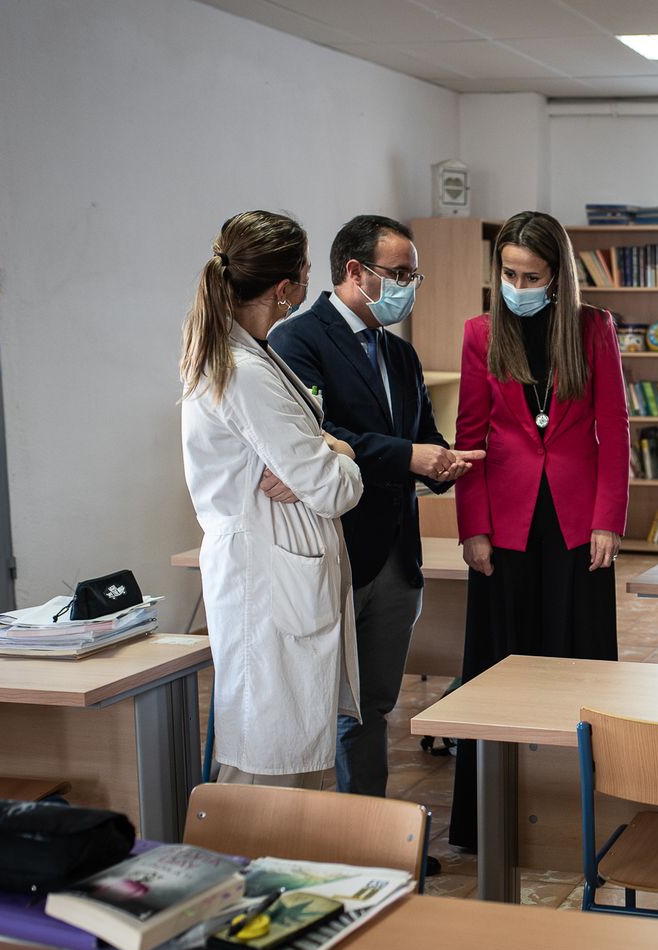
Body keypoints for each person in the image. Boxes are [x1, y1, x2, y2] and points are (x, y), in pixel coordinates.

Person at [271, 215, 484, 798]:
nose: (408, 285)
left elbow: (424, 435)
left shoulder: (399, 354)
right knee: (324, 704)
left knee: (373, 704)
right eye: (398, 273)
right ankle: (330, 839)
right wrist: (409, 457)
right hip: (333, 547)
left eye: (415, 274)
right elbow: (318, 437)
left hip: (396, 553)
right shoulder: (296, 339)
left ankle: (371, 831)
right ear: (355, 272)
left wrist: (445, 462)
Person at [448, 210, 628, 849]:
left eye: (532, 274)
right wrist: (473, 526)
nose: (518, 284)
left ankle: (583, 813)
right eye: (509, 273)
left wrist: (609, 518)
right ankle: (488, 817)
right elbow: (469, 439)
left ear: (558, 275)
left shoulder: (593, 328)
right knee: (501, 668)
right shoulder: (478, 333)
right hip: (506, 524)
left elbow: (614, 431)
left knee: (578, 663)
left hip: (579, 522)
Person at [180, 210, 364, 786]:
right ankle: (250, 874)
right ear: (285, 289)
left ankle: (280, 870)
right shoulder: (243, 370)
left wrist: (324, 448)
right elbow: (332, 488)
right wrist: (345, 454)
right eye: (307, 273)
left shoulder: (251, 354)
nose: (310, 285)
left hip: (279, 572)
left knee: (282, 753)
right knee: (266, 762)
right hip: (266, 580)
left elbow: (312, 467)